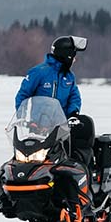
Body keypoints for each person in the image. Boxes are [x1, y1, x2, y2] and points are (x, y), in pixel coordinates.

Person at [17, 35, 94, 164]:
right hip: (37, 127)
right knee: (32, 160)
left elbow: (74, 97)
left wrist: (73, 113)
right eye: (73, 56)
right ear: (66, 55)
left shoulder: (69, 76)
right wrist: (22, 117)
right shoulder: (38, 72)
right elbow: (22, 95)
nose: (74, 60)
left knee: (63, 159)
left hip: (61, 127)